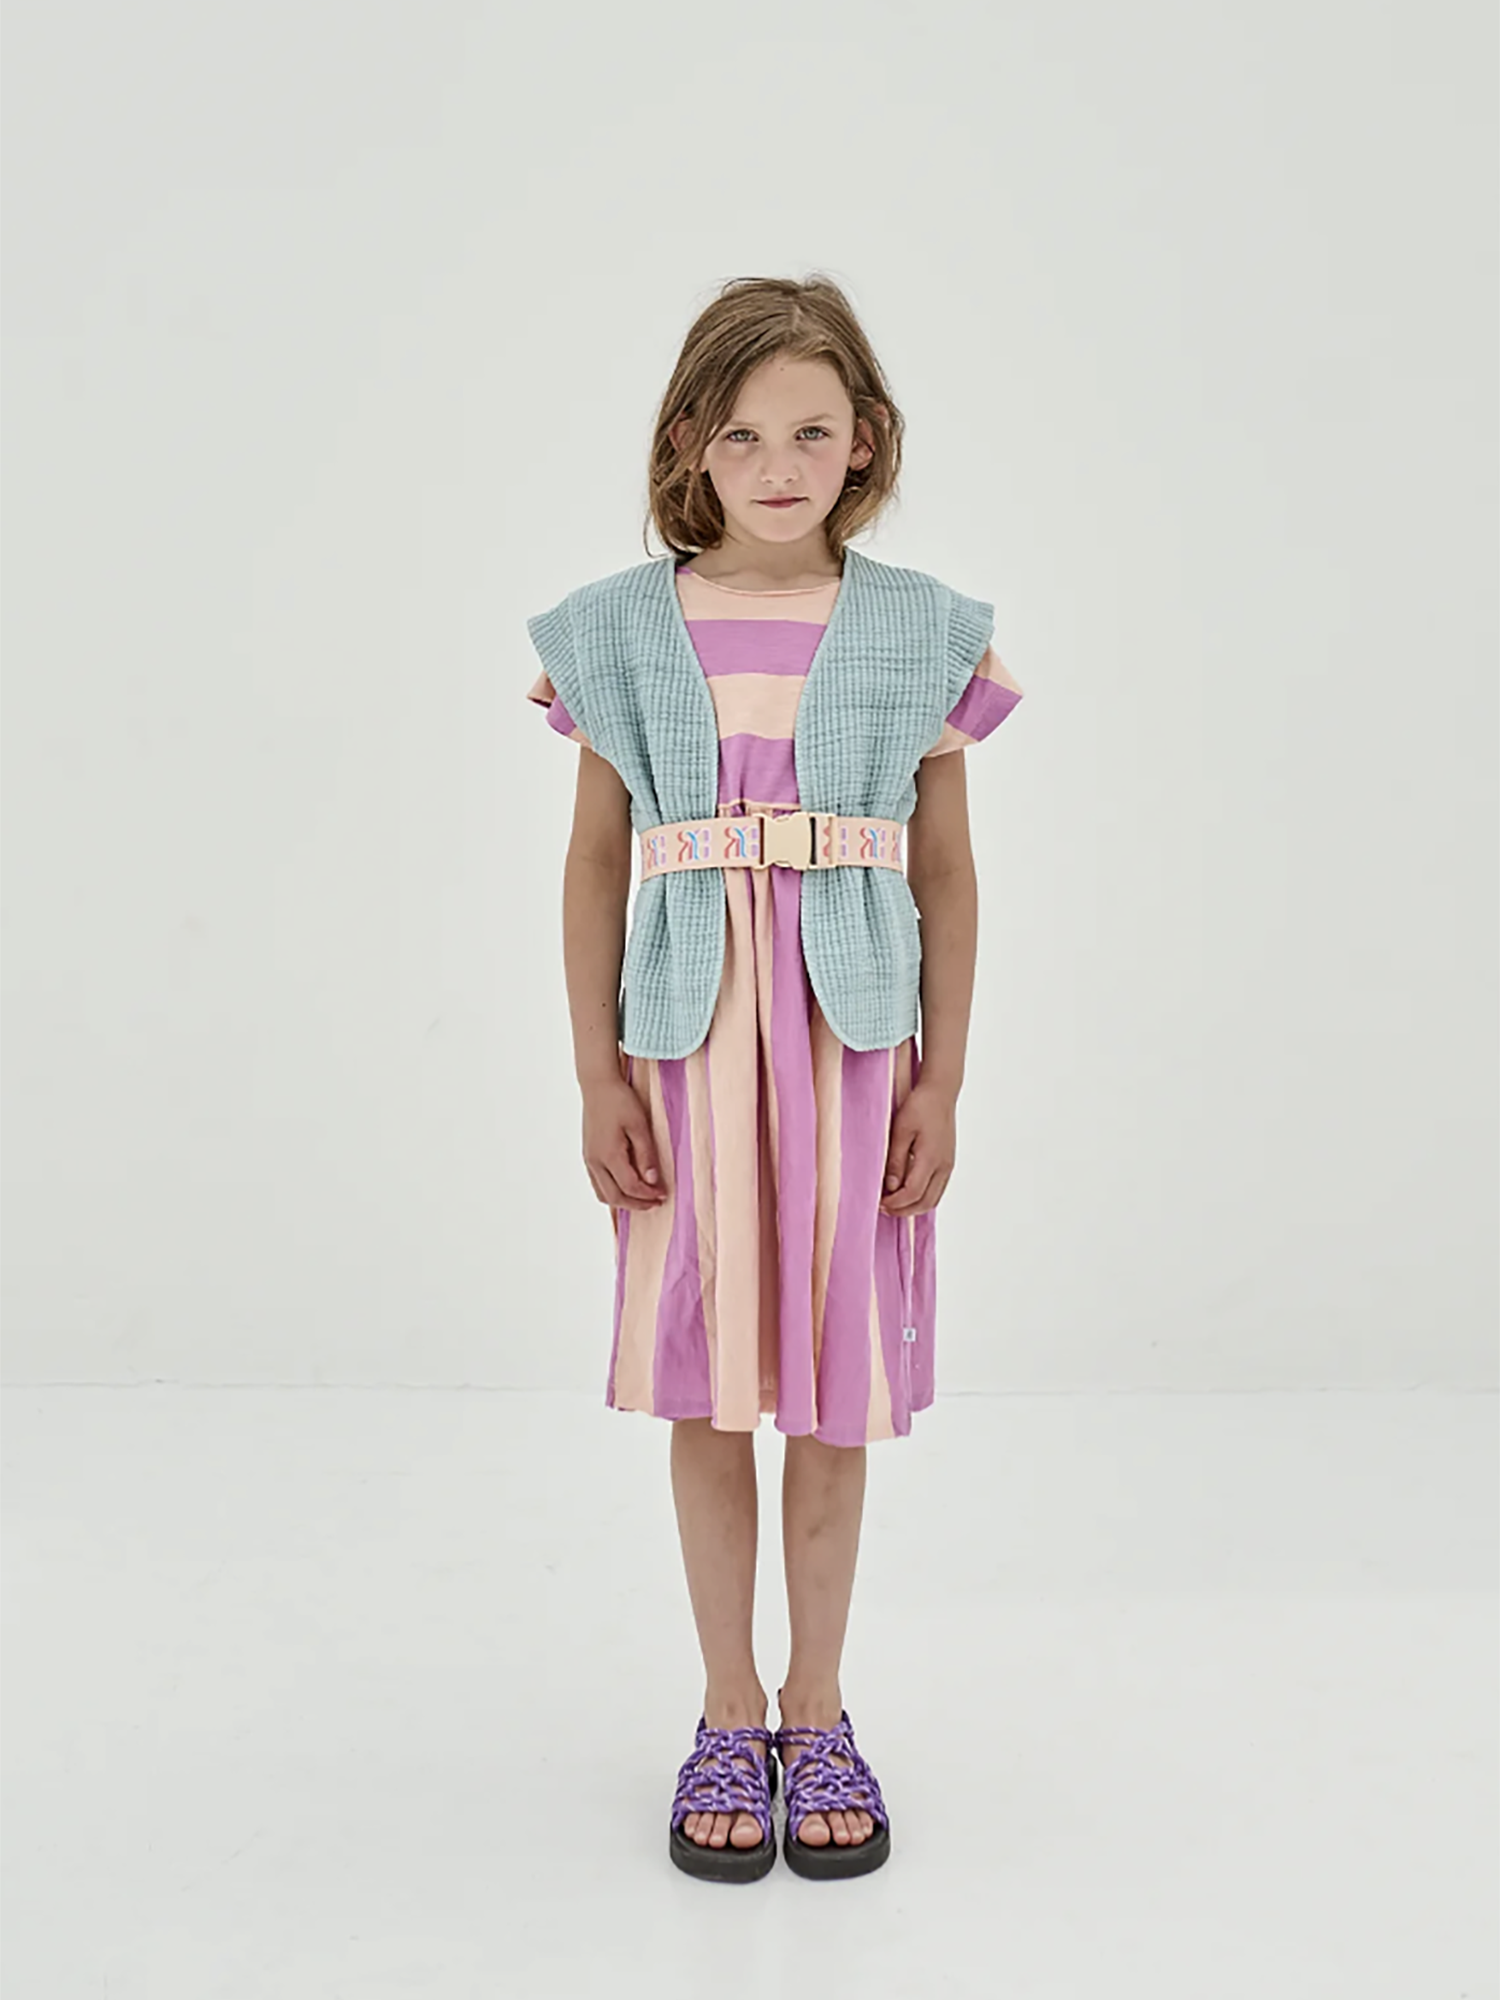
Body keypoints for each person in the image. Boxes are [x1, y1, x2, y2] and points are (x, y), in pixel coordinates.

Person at [524, 273, 1024, 1883]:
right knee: (707, 1376)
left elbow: (946, 872)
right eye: (742, 435)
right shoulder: (618, 630)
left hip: (852, 1048)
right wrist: (594, 1069)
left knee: (830, 1382)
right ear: (691, 443)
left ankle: (819, 1703)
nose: (779, 464)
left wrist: (946, 1080)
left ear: (865, 438)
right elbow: (593, 863)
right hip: (684, 1050)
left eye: (812, 430)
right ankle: (727, 1705)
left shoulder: (922, 628)